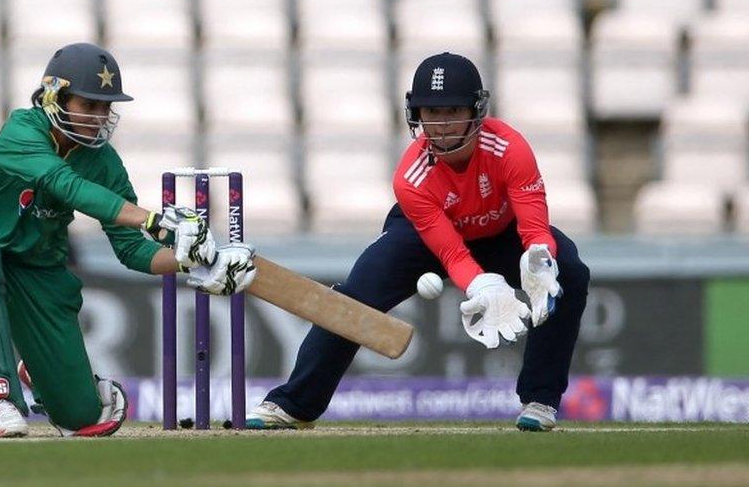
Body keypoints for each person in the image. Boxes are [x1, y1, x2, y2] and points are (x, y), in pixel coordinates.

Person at [246, 52, 590, 432]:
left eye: (452, 111)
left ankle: (540, 400)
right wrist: (481, 284)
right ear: (416, 114)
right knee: (354, 295)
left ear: (476, 111)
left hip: (503, 232)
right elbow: (451, 253)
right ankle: (293, 404)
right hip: (425, 236)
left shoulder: (510, 148)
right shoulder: (411, 178)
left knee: (569, 272)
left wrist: (540, 259)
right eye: (431, 112)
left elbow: (535, 227)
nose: (441, 125)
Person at [0, 43, 257, 438]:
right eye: (89, 105)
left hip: (41, 272)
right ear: (54, 97)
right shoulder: (20, 131)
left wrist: (196, 261)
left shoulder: (103, 162)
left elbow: (134, 250)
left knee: (82, 416)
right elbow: (62, 184)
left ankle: (37, 369)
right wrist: (152, 218)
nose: (99, 117)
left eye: (106, 108)